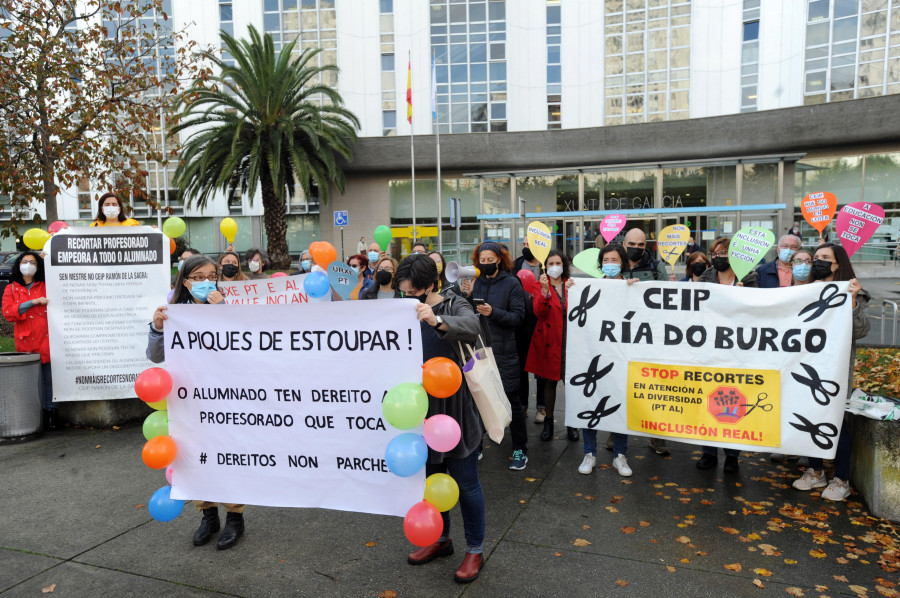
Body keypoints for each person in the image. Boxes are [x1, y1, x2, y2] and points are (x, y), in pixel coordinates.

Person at [396, 255, 487, 583]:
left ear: (430, 286)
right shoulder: (400, 308)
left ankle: (475, 549)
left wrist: (435, 320)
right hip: (418, 411)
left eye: (414, 292)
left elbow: (473, 326)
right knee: (432, 482)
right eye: (403, 292)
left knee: (466, 484)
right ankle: (440, 538)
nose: (408, 298)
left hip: (454, 413)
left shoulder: (453, 304)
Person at [146, 255, 247, 550]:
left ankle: (235, 517)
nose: (205, 282)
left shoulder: (227, 307)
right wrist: (157, 327)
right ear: (186, 281)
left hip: (225, 397)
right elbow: (155, 356)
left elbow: (244, 346)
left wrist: (223, 313)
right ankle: (207, 516)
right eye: (198, 277)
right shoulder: (174, 313)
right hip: (188, 400)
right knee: (192, 456)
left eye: (211, 276)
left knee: (228, 454)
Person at [792, 243, 869, 502]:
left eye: (826, 258)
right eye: (816, 258)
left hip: (834, 370)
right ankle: (816, 471)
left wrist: (854, 300)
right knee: (811, 416)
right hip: (806, 365)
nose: (819, 262)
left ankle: (841, 478)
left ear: (838, 264)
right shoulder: (805, 292)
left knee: (838, 422)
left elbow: (860, 331)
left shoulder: (853, 292)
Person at [460, 242, 528, 470]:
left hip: (504, 352)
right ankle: (477, 445)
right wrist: (468, 296)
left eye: (490, 260)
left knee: (511, 402)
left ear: (500, 259)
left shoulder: (511, 283)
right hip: (480, 351)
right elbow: (468, 315)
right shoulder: (476, 282)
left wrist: (494, 312)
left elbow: (518, 317)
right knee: (479, 399)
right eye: (482, 261)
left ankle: (520, 449)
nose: (486, 264)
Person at [695, 236, 758, 473]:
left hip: (737, 352)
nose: (718, 258)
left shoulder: (750, 279)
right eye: (715, 253)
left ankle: (732, 455)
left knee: (733, 401)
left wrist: (747, 299)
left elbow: (762, 312)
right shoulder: (705, 278)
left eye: (724, 253)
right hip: (709, 349)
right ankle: (708, 452)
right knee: (707, 400)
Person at [581, 244, 639, 477]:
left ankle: (619, 455)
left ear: (622, 263)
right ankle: (589, 453)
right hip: (594, 354)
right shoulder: (593, 286)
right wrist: (574, 289)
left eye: (615, 260)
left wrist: (636, 292)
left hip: (623, 356)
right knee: (590, 399)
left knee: (620, 404)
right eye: (606, 260)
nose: (610, 264)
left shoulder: (633, 287)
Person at [526, 249, 582, 443]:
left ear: (563, 264)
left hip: (570, 341)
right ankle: (549, 422)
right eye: (550, 264)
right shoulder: (539, 285)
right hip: (549, 341)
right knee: (549, 383)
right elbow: (538, 312)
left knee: (572, 385)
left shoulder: (572, 284)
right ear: (545, 266)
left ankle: (572, 423)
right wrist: (543, 291)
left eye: (558, 263)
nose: (554, 267)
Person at [2, 251, 55, 429]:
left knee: (49, 379)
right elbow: (9, 312)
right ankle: (36, 416)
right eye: (25, 262)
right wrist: (32, 303)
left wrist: (46, 256)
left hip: (47, 338)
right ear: (18, 265)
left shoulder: (45, 285)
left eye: (33, 262)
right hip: (26, 341)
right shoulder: (11, 289)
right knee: (33, 381)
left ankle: (52, 414)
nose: (28, 265)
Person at [512, 241, 543, 423]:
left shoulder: (548, 265)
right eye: (523, 243)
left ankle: (542, 407)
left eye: (529, 243)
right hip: (520, 324)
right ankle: (523, 405)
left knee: (541, 369)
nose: (525, 246)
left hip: (541, 323)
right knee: (521, 367)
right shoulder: (516, 265)